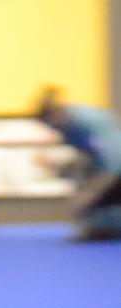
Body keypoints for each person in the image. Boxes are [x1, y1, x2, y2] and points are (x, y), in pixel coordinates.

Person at [36, 87, 121, 241]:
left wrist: (89, 194)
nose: (56, 130)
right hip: (102, 168)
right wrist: (57, 166)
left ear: (58, 114)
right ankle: (101, 227)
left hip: (115, 170)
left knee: (92, 197)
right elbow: (87, 156)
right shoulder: (68, 127)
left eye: (53, 125)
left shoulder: (93, 121)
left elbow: (115, 164)